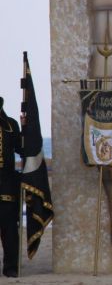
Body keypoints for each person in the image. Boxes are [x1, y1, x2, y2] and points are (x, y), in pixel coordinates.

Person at [0, 97, 22, 278]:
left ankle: (10, 267)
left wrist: (27, 129)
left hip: (7, 184)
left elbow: (22, 149)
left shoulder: (11, 125)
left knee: (9, 230)